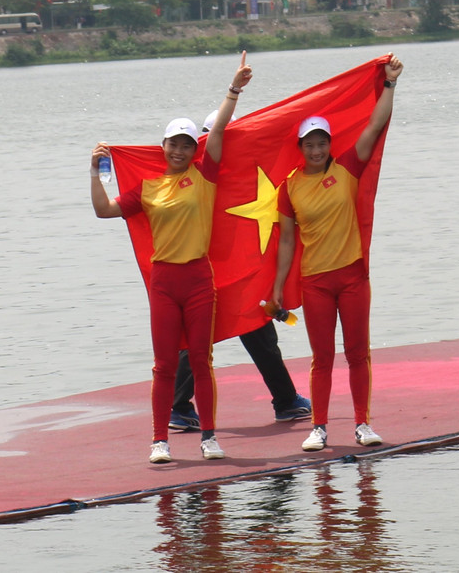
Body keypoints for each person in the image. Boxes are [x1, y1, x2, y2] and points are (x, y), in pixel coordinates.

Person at [90, 52, 253, 464]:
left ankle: (209, 437)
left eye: (186, 145)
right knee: (164, 365)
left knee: (201, 360)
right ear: (163, 147)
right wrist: (95, 172)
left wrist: (233, 90)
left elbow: (219, 129)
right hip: (164, 282)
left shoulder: (204, 176)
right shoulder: (147, 188)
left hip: (198, 279)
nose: (179, 150)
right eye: (173, 144)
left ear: (193, 149)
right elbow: (104, 211)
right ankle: (159, 441)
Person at [272, 53, 403, 452]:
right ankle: (319, 428)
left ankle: (362, 424)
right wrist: (278, 287)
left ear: (330, 144)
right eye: (309, 144)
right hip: (315, 281)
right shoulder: (289, 187)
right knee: (322, 357)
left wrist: (391, 83)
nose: (316, 150)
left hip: (352, 277)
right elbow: (287, 241)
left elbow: (375, 124)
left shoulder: (346, 168)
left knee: (358, 353)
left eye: (322, 143)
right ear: (300, 147)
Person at [169, 111, 311, 431]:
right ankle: (179, 407)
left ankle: (285, 400)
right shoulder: (197, 173)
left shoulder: (240, 171)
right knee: (198, 337)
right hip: (205, 269)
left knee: (255, 327)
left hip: (240, 271)